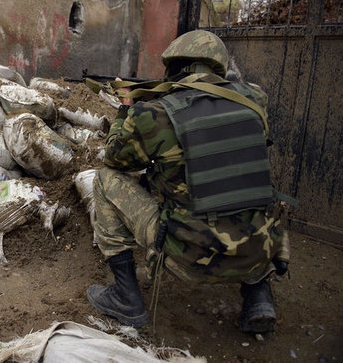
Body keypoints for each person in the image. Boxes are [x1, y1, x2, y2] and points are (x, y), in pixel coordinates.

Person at [86, 30, 290, 333]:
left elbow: (114, 160)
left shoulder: (153, 113)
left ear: (173, 67)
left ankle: (126, 297)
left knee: (105, 180)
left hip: (191, 256)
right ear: (218, 67)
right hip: (256, 249)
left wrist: (128, 108)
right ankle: (258, 295)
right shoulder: (255, 100)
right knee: (250, 194)